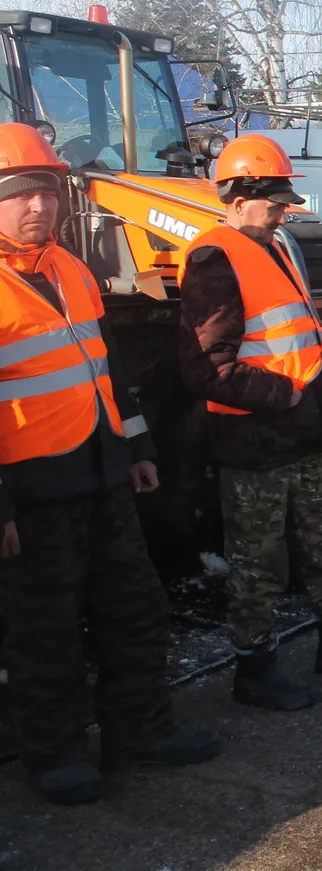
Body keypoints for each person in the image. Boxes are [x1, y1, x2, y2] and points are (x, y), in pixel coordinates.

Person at [0, 123, 219, 804]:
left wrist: (137, 446)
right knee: (45, 630)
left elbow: (109, 371)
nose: (38, 206)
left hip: (103, 475)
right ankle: (56, 754)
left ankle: (140, 732)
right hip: (32, 494)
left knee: (135, 606)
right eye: (19, 195)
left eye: (45, 192)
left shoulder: (71, 269)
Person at [179, 136, 322, 712]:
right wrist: (286, 396)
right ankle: (255, 669)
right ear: (236, 198)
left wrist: (312, 401)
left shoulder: (269, 244)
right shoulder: (215, 258)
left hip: (297, 433)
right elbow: (209, 370)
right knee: (258, 562)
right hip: (256, 441)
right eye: (273, 202)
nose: (284, 212)